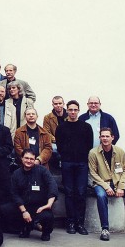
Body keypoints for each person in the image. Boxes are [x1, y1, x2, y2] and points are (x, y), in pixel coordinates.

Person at [55, 100, 93, 235]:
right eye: (70, 109)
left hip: (82, 164)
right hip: (67, 163)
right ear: (67, 110)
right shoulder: (61, 127)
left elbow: (89, 145)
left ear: (78, 111)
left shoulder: (86, 127)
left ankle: (80, 223)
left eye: (75, 110)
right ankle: (70, 222)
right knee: (69, 193)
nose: (72, 112)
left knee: (81, 193)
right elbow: (59, 146)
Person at [6, 149, 58, 241]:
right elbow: (14, 194)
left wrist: (48, 205)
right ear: (21, 158)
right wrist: (23, 211)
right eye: (26, 158)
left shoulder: (42, 171)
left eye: (31, 159)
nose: (29, 161)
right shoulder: (16, 174)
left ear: (35, 160)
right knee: (5, 209)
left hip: (40, 207)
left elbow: (52, 185)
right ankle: (26, 227)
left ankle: (46, 232)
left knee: (48, 216)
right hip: (23, 206)